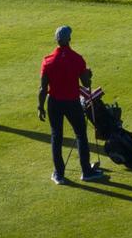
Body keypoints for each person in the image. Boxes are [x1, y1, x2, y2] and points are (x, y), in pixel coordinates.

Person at [38, 25, 107, 185]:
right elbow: (86, 82)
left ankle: (59, 174)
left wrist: (40, 106)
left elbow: (43, 88)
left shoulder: (47, 61)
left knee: (57, 136)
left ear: (57, 40)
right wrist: (88, 74)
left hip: (54, 102)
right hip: (72, 103)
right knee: (81, 135)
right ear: (69, 39)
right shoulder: (77, 59)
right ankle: (86, 172)